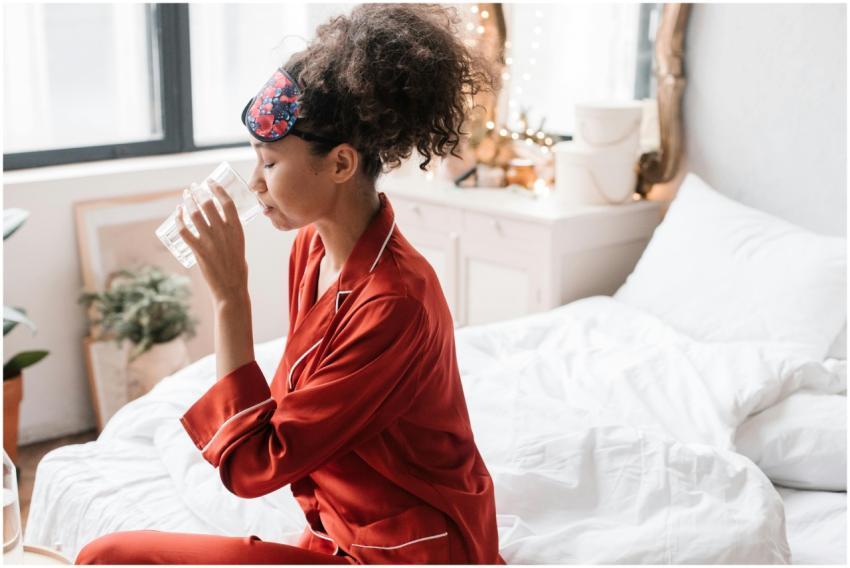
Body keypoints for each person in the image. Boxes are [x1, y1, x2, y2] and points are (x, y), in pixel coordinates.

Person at [76, 3, 502, 565]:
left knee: (111, 556)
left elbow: (253, 466)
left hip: (403, 553)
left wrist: (231, 297)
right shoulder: (312, 249)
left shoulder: (395, 302)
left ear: (342, 164)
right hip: (337, 524)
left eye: (271, 163)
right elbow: (290, 413)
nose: (254, 182)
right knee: (109, 553)